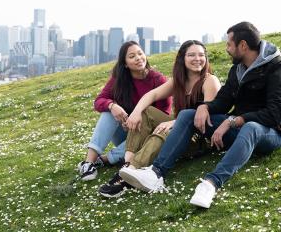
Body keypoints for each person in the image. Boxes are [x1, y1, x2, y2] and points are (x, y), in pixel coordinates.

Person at [119, 21, 281, 209]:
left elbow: (274, 114)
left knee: (251, 128)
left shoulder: (276, 69)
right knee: (188, 114)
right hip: (238, 128)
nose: (226, 49)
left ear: (242, 45)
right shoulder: (237, 70)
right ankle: (156, 174)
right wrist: (205, 107)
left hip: (269, 132)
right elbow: (223, 101)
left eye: (229, 44)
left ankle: (211, 184)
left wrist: (234, 121)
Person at [98, 40, 221, 197]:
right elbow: (152, 94)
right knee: (146, 111)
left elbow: (204, 117)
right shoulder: (179, 80)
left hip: (200, 138)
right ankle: (127, 166)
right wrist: (136, 112)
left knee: (165, 129)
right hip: (181, 130)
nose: (197, 59)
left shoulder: (210, 80)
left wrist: (175, 122)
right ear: (182, 58)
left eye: (201, 55)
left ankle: (128, 175)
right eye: (191, 55)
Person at [78, 41, 172, 181]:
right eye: (132, 56)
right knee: (108, 112)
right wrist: (112, 106)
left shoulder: (158, 80)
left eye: (140, 53)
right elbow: (99, 101)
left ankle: (104, 160)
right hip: (125, 131)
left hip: (145, 134)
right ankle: (89, 163)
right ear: (125, 63)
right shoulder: (119, 79)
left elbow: (163, 113)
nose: (138, 58)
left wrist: (137, 121)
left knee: (147, 140)